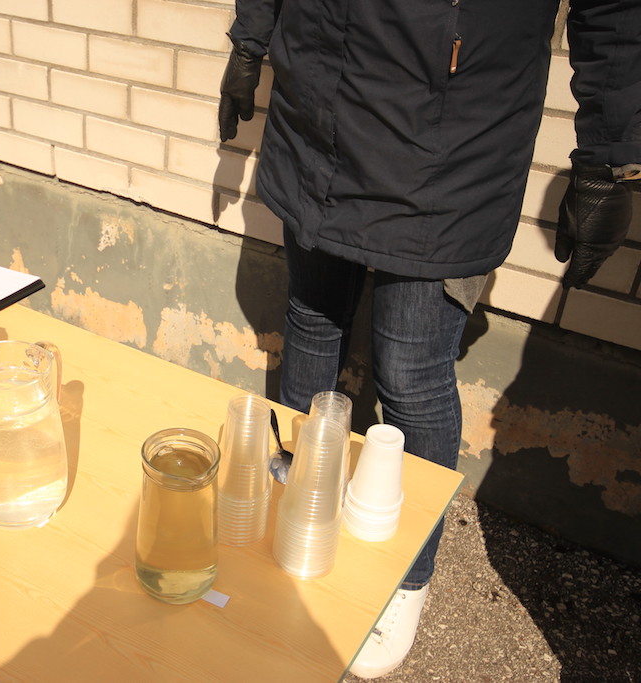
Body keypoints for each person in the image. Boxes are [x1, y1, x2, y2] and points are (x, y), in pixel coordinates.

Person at [219, 0, 639, 678]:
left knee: (410, 371)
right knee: (311, 321)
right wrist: (250, 40)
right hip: (317, 108)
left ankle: (407, 577)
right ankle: (301, 501)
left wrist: (610, 158)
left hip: (452, 135)